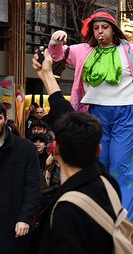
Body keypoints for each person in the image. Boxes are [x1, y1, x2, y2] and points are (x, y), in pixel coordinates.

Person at [48, 8, 133, 227]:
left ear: (114, 29)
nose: (100, 32)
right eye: (96, 28)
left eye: (105, 27)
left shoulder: (129, 50)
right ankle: (101, 221)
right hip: (95, 115)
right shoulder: (83, 50)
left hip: (128, 115)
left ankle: (127, 226)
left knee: (122, 167)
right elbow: (57, 55)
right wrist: (55, 41)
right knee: (98, 166)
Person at [29, 48, 123, 254]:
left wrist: (47, 73)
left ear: (56, 153)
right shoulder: (108, 184)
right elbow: (64, 111)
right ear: (98, 150)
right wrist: (46, 74)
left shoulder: (66, 210)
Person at [0, 104, 41, 253]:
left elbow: (33, 186)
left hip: (14, 221)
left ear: (5, 119)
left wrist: (26, 217)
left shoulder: (25, 148)